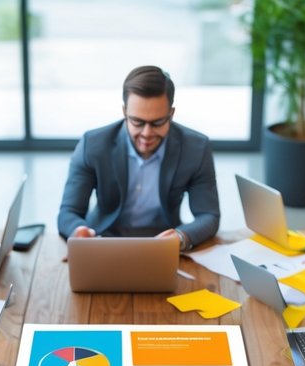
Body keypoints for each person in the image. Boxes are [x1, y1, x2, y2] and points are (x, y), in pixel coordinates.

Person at [57, 65, 220, 251]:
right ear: (124, 112)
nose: (147, 133)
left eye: (158, 122)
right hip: (103, 239)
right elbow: (68, 212)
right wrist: (79, 231)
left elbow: (209, 215)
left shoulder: (196, 148)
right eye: (137, 122)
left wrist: (181, 236)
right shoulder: (93, 145)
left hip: (164, 243)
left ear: (171, 114)